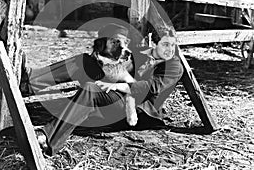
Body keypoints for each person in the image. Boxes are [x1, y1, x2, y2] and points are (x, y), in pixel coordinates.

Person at [33, 23, 184, 155]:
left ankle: (47, 138)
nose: (169, 50)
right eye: (165, 44)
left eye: (173, 45)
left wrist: (116, 85)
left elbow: (150, 88)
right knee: (83, 61)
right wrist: (98, 61)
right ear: (154, 43)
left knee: (90, 89)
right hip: (117, 98)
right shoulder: (142, 54)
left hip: (137, 112)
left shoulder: (173, 65)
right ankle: (31, 80)